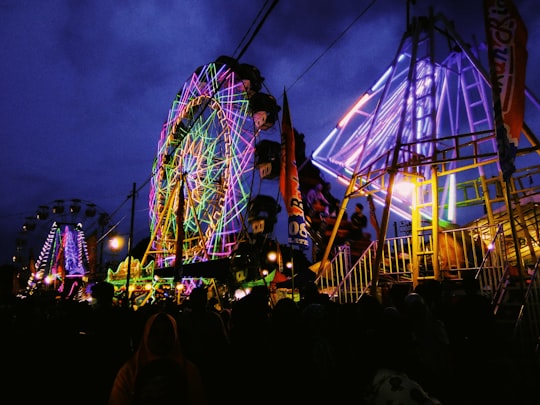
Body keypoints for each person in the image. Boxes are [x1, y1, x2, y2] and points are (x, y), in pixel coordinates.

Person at [108, 311, 207, 405]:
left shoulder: (190, 371)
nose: (161, 339)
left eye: (167, 333)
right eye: (155, 333)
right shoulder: (129, 371)